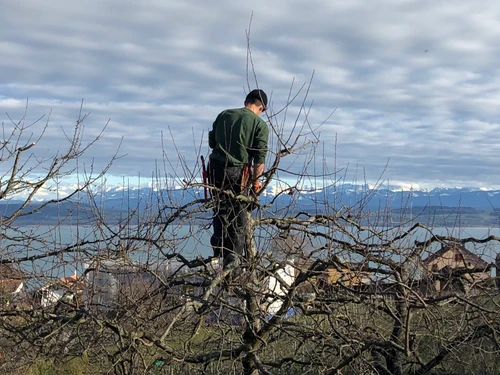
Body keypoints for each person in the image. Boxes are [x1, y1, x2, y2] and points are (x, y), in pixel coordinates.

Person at [208, 89, 269, 269]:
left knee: (220, 207)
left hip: (215, 168)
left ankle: (218, 245)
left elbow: (212, 143)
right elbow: (259, 159)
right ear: (262, 108)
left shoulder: (224, 114)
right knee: (239, 215)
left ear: (245, 101)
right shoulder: (259, 125)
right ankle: (233, 258)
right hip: (237, 172)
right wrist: (256, 184)